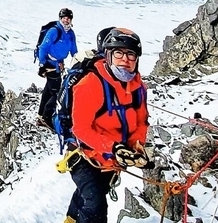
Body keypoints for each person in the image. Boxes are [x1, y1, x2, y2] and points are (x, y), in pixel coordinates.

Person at [57, 27, 150, 223]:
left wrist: (136, 147)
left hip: (113, 159)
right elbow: (80, 129)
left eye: (130, 54)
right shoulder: (91, 83)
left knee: (91, 194)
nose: (125, 59)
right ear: (107, 55)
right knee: (95, 205)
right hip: (84, 154)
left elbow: (141, 122)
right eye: (118, 53)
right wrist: (114, 147)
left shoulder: (138, 88)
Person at [37, 7, 77, 130]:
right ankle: (46, 117)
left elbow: (73, 50)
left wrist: (77, 62)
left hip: (58, 64)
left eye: (68, 18)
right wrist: (42, 64)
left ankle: (41, 115)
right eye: (64, 18)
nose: (66, 20)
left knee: (49, 89)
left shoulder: (70, 33)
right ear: (60, 18)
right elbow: (43, 47)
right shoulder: (54, 31)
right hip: (50, 64)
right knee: (56, 91)